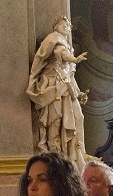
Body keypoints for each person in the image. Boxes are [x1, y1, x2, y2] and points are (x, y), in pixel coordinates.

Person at [26, 16, 88, 170]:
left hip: (66, 85)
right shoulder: (54, 39)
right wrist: (74, 59)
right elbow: (61, 53)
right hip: (54, 85)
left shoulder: (67, 43)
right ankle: (57, 156)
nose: (65, 27)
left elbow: (69, 73)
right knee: (55, 120)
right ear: (55, 26)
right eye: (62, 25)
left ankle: (75, 154)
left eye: (67, 26)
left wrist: (78, 92)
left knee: (78, 117)